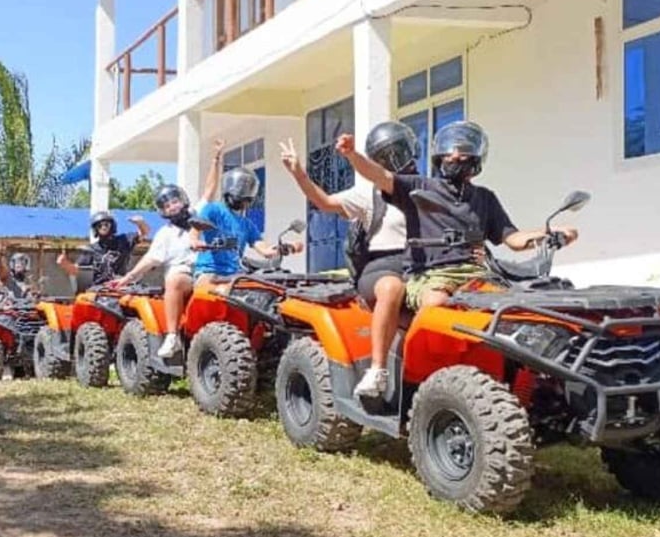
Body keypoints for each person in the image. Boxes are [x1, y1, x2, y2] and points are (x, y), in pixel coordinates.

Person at [339, 120, 578, 398]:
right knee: (437, 303)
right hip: (430, 275)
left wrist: (549, 233)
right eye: (448, 153)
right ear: (437, 155)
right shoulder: (418, 186)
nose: (453, 158)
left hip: (477, 274)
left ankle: (528, 378)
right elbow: (380, 175)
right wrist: (352, 155)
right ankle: (385, 371)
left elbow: (512, 239)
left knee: (515, 310)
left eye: (462, 154)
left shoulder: (485, 198)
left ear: (476, 160)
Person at [279, 121, 420, 309]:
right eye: (385, 157)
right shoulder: (369, 194)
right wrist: (299, 174)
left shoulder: (430, 188)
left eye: (399, 152)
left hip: (426, 266)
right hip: (385, 267)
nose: (395, 160)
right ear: (376, 162)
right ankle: (381, 340)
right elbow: (325, 203)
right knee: (390, 289)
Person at [190, 139, 298, 295]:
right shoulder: (213, 209)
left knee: (268, 294)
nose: (243, 199)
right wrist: (194, 241)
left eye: (247, 195)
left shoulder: (247, 224)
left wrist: (283, 248)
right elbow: (195, 229)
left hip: (236, 275)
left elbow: (265, 251)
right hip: (209, 273)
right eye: (241, 193)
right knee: (221, 293)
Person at [106, 183, 198, 357]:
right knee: (175, 280)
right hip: (183, 275)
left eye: (174, 201)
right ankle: (172, 336)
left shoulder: (201, 219)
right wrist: (129, 277)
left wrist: (217, 161)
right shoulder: (165, 233)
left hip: (209, 270)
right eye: (167, 206)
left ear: (183, 200)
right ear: (163, 212)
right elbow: (151, 258)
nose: (172, 207)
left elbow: (209, 191)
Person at [57, 210, 148, 285]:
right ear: (95, 228)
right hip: (99, 291)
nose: (103, 227)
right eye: (100, 225)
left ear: (112, 226)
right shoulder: (91, 249)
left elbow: (144, 233)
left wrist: (140, 223)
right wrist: (65, 264)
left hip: (121, 286)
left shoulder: (124, 240)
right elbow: (76, 271)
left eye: (106, 224)